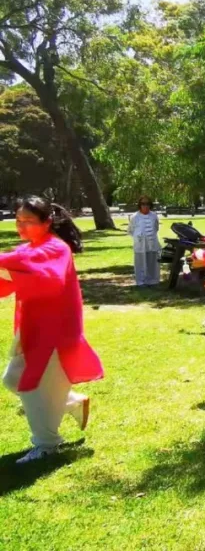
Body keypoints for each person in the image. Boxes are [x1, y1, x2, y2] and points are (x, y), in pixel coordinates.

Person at [1, 198, 102, 464]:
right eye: (18, 220)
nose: (21, 226)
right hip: (34, 328)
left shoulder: (55, 248)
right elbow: (16, 268)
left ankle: (47, 445)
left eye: (28, 221)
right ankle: (71, 402)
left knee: (31, 386)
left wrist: (8, 268)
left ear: (46, 223)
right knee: (13, 379)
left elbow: (45, 278)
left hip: (54, 330)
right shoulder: (33, 247)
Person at [127, 196, 161, 287]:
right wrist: (138, 237)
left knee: (152, 261)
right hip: (140, 244)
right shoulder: (134, 217)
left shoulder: (154, 216)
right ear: (140, 205)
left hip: (152, 243)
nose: (145, 206)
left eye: (147, 204)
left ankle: (153, 280)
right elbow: (130, 230)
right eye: (143, 204)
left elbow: (156, 228)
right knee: (140, 262)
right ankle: (141, 281)